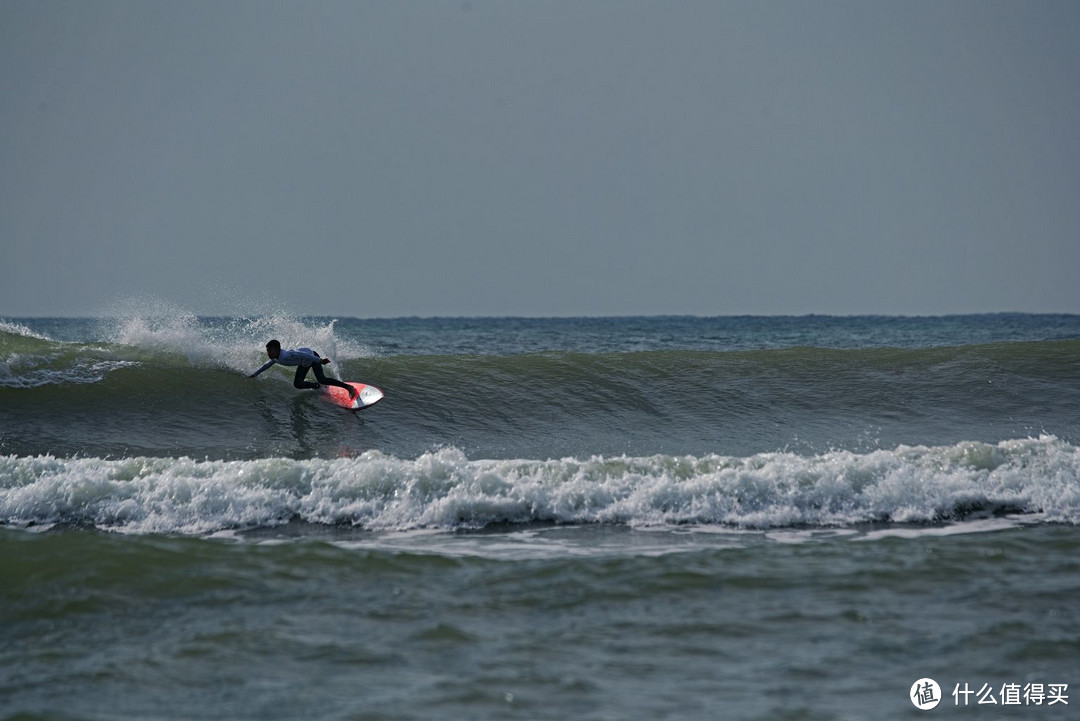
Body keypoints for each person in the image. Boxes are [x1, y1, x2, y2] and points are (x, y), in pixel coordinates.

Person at [248, 339, 358, 399]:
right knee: (297, 384)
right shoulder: (275, 358)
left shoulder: (287, 355)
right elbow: (266, 365)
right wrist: (255, 374)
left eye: (269, 351)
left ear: (277, 350)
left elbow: (304, 355)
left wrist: (319, 361)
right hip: (303, 362)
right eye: (267, 351)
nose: (268, 353)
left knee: (322, 378)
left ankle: (348, 387)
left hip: (311, 357)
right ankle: (317, 386)